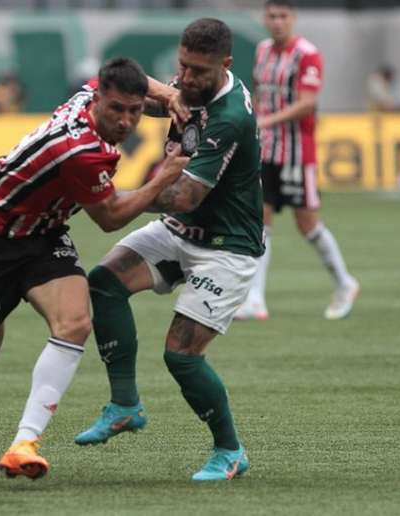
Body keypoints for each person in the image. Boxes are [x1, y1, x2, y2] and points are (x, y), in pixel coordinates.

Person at [0, 57, 189, 480]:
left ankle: (24, 444)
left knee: (76, 322)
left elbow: (132, 82)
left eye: (134, 111)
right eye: (116, 109)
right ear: (98, 101)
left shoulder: (90, 95)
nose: (126, 120)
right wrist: (163, 177)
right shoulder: (80, 149)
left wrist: (170, 96)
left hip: (43, 235)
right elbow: (110, 217)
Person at [75, 18, 264, 482]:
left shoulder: (230, 118)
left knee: (181, 354)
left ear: (226, 65)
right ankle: (124, 405)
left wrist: (113, 198)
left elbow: (183, 197)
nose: (189, 78)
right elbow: (135, 86)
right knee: (102, 284)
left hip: (226, 247)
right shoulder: (192, 86)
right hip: (182, 232)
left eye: (199, 71)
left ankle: (230, 451)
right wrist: (169, 92)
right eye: (183, 67)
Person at [238, 0, 359, 321]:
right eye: (272, 16)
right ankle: (255, 299)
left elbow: (307, 104)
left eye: (283, 16)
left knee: (307, 223)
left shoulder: (307, 54)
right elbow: (259, 92)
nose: (277, 22)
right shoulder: (262, 50)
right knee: (259, 220)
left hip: (296, 152)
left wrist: (265, 120)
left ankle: (345, 283)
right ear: (265, 18)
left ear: (293, 18)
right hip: (266, 150)